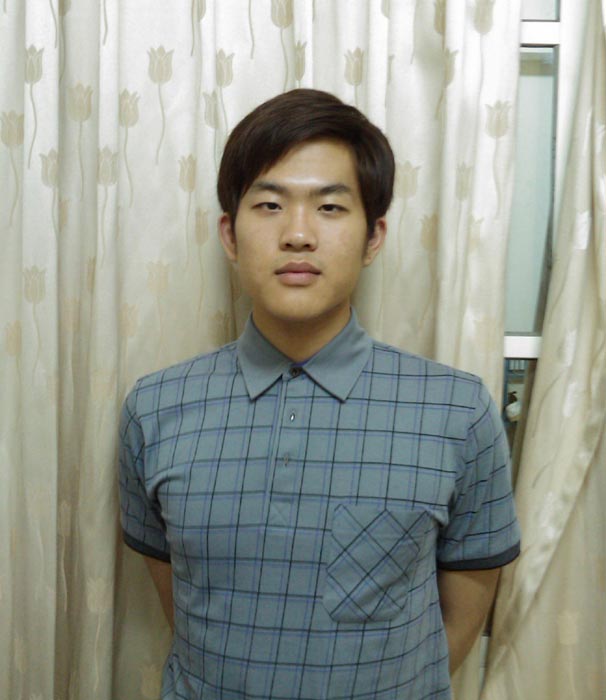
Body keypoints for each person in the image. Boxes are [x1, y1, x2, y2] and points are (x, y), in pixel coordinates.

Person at [119, 89, 520, 699]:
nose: (298, 234)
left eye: (330, 207)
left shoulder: (457, 412)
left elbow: (465, 607)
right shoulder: (155, 408)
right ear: (230, 235)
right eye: (270, 205)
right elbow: (183, 600)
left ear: (373, 237)